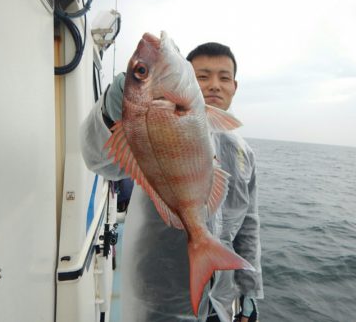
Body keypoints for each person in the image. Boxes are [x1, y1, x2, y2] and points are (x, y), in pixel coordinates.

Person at [80, 41, 263, 322]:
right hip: (159, 299)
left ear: (234, 87)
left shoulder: (244, 153)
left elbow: (247, 226)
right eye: (203, 76)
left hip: (222, 301)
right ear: (187, 78)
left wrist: (248, 291)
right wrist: (113, 106)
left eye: (224, 77)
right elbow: (98, 160)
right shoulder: (154, 124)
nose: (214, 85)